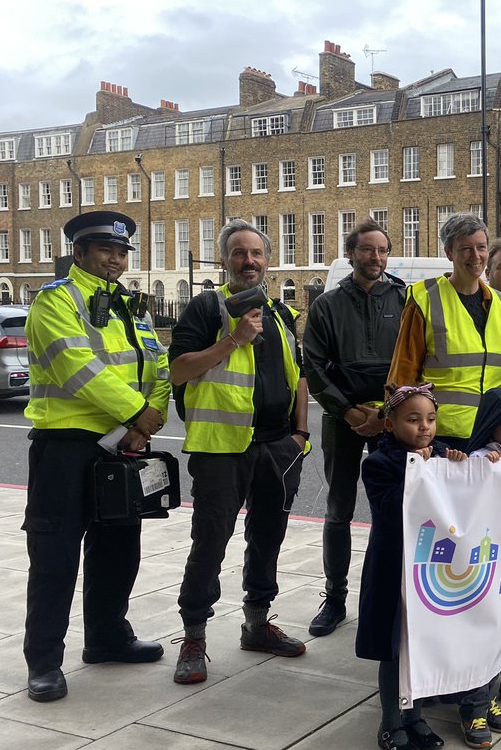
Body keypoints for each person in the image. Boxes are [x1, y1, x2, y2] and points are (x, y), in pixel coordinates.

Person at [21, 210, 169, 702]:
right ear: (79, 253)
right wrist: (137, 414)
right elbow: (75, 366)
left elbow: (159, 368)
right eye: (105, 249)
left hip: (121, 446)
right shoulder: (56, 300)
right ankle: (43, 661)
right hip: (66, 445)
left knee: (118, 549)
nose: (115, 259)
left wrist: (148, 419)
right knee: (55, 557)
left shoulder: (136, 308)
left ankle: (107, 638)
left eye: (123, 251)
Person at [170, 219, 310, 685]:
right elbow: (178, 372)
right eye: (238, 253)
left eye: (256, 254)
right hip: (222, 448)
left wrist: (301, 434)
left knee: (268, 538)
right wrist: (233, 340)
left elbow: (300, 375)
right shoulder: (206, 309)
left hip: (277, 446)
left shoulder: (281, 313)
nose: (248, 261)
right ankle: (194, 637)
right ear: (224, 259)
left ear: (267, 260)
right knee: (210, 541)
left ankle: (256, 623)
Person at [302, 219, 407, 637]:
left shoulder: (404, 298)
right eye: (368, 250)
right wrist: (348, 413)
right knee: (338, 511)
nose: (376, 258)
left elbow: (412, 360)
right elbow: (313, 365)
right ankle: (335, 597)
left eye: (382, 251)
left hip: (393, 421)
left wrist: (385, 413)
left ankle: (399, 594)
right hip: (341, 419)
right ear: (351, 253)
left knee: (399, 510)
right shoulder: (327, 305)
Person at [357, 383, 466, 750]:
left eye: (431, 419)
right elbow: (390, 508)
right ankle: (391, 721)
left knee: (421, 643)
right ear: (389, 424)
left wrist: (457, 466)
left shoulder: (438, 456)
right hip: (393, 566)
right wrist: (417, 470)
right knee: (395, 647)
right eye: (413, 419)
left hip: (429, 568)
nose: (425, 427)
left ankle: (415, 715)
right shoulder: (379, 463)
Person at [388, 213, 501, 449]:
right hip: (442, 436)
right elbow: (403, 374)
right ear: (449, 253)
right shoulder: (424, 299)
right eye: (466, 248)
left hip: (497, 433)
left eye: (481, 247)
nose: (476, 256)